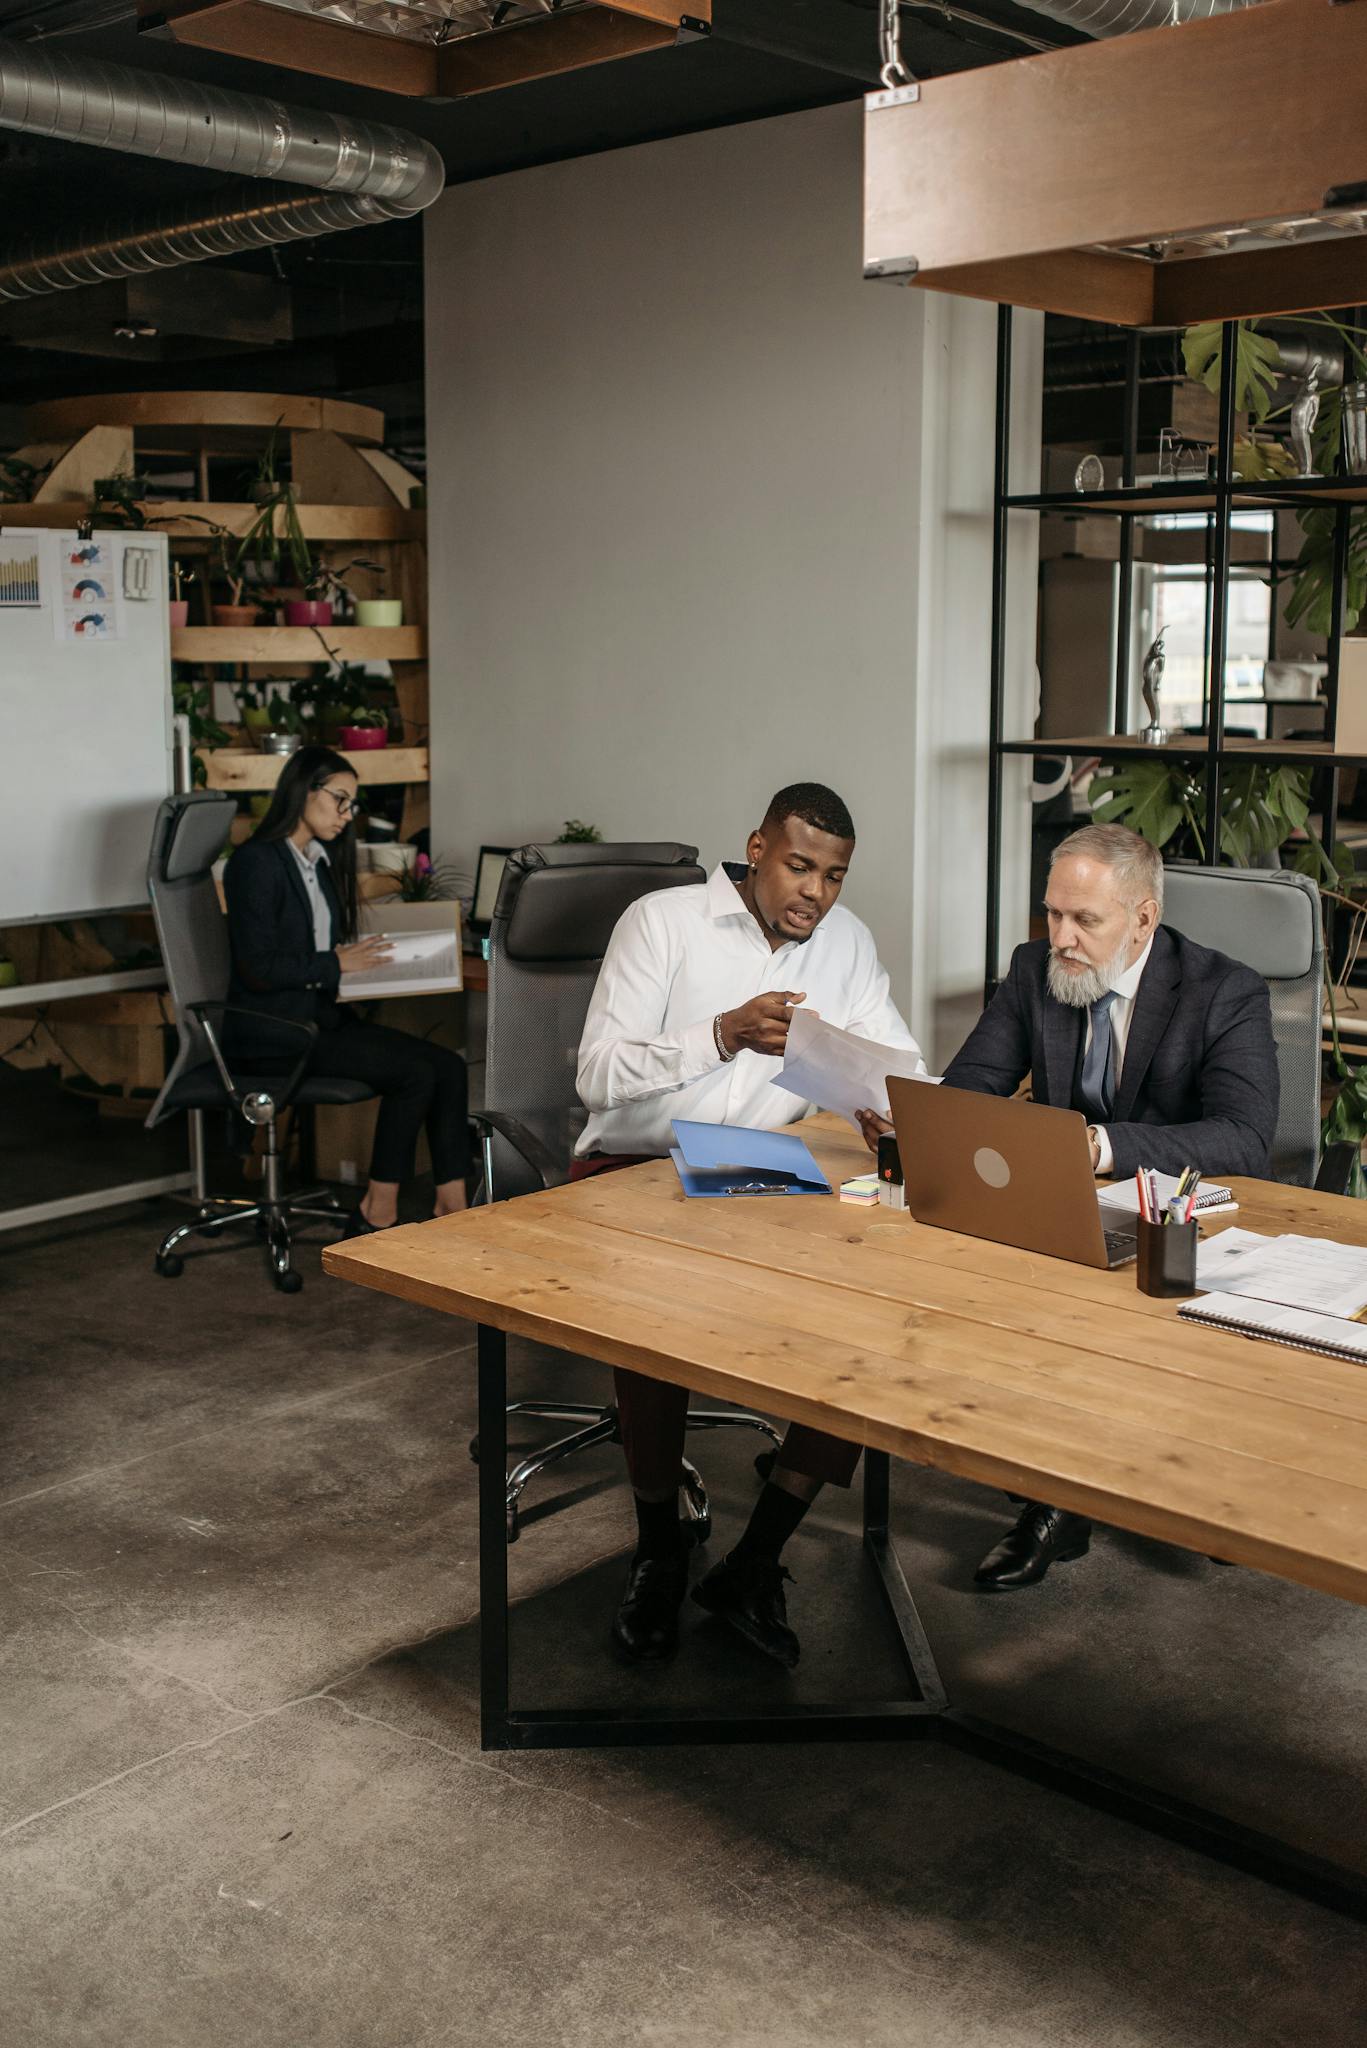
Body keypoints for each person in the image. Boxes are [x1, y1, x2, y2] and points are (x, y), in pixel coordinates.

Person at [859, 821, 1279, 1591]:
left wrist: (1097, 1148)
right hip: (1061, 1216)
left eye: (1084, 920)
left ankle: (1113, 1493)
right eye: (1052, 914)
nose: (1061, 937)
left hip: (1180, 1223)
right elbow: (972, 1086)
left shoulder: (1223, 989)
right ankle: (1057, 1498)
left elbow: (1244, 1137)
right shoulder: (1033, 970)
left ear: (1142, 920)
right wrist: (918, 1122)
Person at [574, 781, 927, 1667]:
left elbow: (899, 1064)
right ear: (757, 848)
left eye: (834, 876)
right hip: (637, 1165)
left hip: (756, 1171)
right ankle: (658, 1546)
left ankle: (758, 1555)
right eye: (800, 866)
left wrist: (889, 1107)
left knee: (874, 1318)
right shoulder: (661, 922)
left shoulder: (845, 946)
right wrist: (722, 1034)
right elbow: (596, 1077)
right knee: (653, 1320)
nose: (815, 892)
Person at [223, 745, 470, 1239]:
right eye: (339, 799)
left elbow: (316, 948)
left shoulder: (317, 863)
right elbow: (257, 967)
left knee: (449, 1064)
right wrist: (336, 964)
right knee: (416, 1071)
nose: (346, 813)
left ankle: (455, 1207)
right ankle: (378, 1209)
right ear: (303, 790)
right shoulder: (255, 863)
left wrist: (371, 967)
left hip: (319, 1019)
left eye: (351, 804)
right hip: (275, 1029)